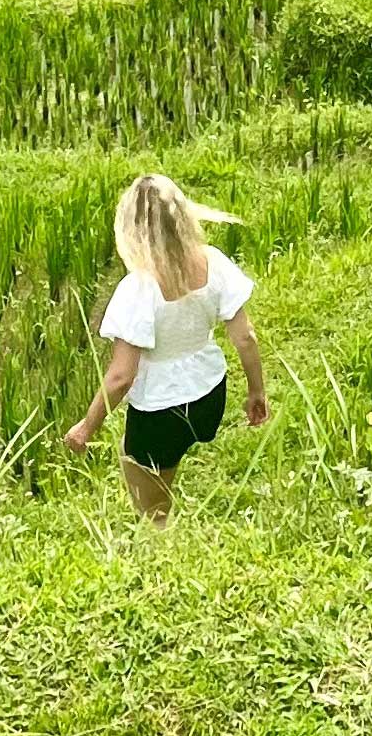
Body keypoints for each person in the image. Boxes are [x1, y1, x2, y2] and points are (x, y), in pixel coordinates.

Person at [65, 171, 267, 518]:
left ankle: (158, 543)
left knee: (145, 490)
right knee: (170, 455)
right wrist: (256, 392)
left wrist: (87, 426)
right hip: (209, 396)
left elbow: (121, 377)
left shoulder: (138, 288)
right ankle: (168, 486)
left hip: (161, 410)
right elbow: (245, 338)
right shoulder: (213, 261)